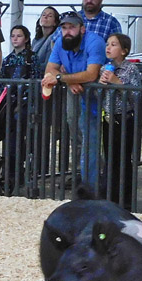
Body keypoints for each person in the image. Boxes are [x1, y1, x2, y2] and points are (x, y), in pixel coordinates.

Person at [40, 10, 106, 188]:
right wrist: (69, 81)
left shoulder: (95, 42)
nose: (67, 31)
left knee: (91, 135)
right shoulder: (60, 42)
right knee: (76, 131)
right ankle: (82, 176)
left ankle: (93, 182)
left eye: (72, 27)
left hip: (97, 94)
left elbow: (91, 74)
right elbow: (49, 69)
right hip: (75, 91)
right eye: (64, 28)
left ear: (82, 29)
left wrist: (62, 78)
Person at [98, 33, 142, 210]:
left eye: (113, 45)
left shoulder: (131, 70)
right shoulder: (104, 68)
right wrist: (100, 86)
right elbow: (99, 96)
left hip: (125, 119)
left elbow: (137, 96)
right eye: (107, 44)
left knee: (123, 159)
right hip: (108, 118)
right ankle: (110, 196)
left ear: (124, 51)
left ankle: (125, 200)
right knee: (109, 158)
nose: (108, 47)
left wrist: (118, 83)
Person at [0, 25, 36, 195]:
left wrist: (25, 100)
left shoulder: (32, 58)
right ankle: (10, 172)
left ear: (26, 39)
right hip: (8, 104)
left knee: (23, 138)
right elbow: (1, 82)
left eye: (19, 36)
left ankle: (22, 171)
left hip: (25, 104)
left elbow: (35, 80)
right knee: (10, 138)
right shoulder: (8, 59)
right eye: (13, 35)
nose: (15, 38)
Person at [31, 6, 61, 78]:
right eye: (43, 15)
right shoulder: (35, 40)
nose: (45, 17)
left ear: (55, 22)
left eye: (50, 16)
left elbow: (48, 64)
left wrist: (30, 67)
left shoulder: (54, 39)